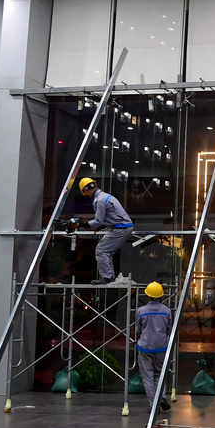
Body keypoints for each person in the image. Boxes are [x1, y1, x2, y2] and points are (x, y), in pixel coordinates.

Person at [68, 177, 133, 285]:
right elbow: (111, 216)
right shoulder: (105, 196)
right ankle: (109, 277)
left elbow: (98, 221)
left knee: (101, 250)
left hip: (121, 228)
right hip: (121, 227)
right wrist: (101, 226)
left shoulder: (99, 200)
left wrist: (80, 225)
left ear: (85, 191)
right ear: (94, 184)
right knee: (106, 251)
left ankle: (107, 277)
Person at [135, 281, 172, 413]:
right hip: (161, 347)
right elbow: (169, 330)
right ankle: (161, 397)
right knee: (159, 374)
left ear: (147, 296)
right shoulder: (167, 311)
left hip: (145, 347)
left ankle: (154, 405)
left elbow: (138, 329)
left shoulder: (141, 311)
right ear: (161, 296)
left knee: (148, 377)